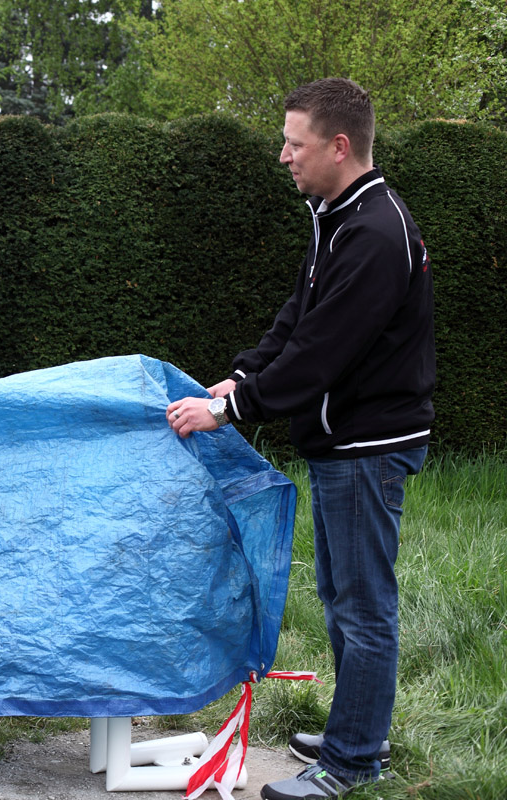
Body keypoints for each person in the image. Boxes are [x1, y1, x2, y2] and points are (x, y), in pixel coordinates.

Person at [166, 78, 434, 800]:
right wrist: (240, 375)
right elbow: (299, 315)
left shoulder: (375, 233)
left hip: (365, 446)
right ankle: (358, 730)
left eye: (295, 143)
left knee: (362, 604)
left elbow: (325, 352)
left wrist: (230, 410)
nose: (284, 156)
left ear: (338, 146)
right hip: (344, 442)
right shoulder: (336, 215)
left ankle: (351, 761)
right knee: (345, 593)